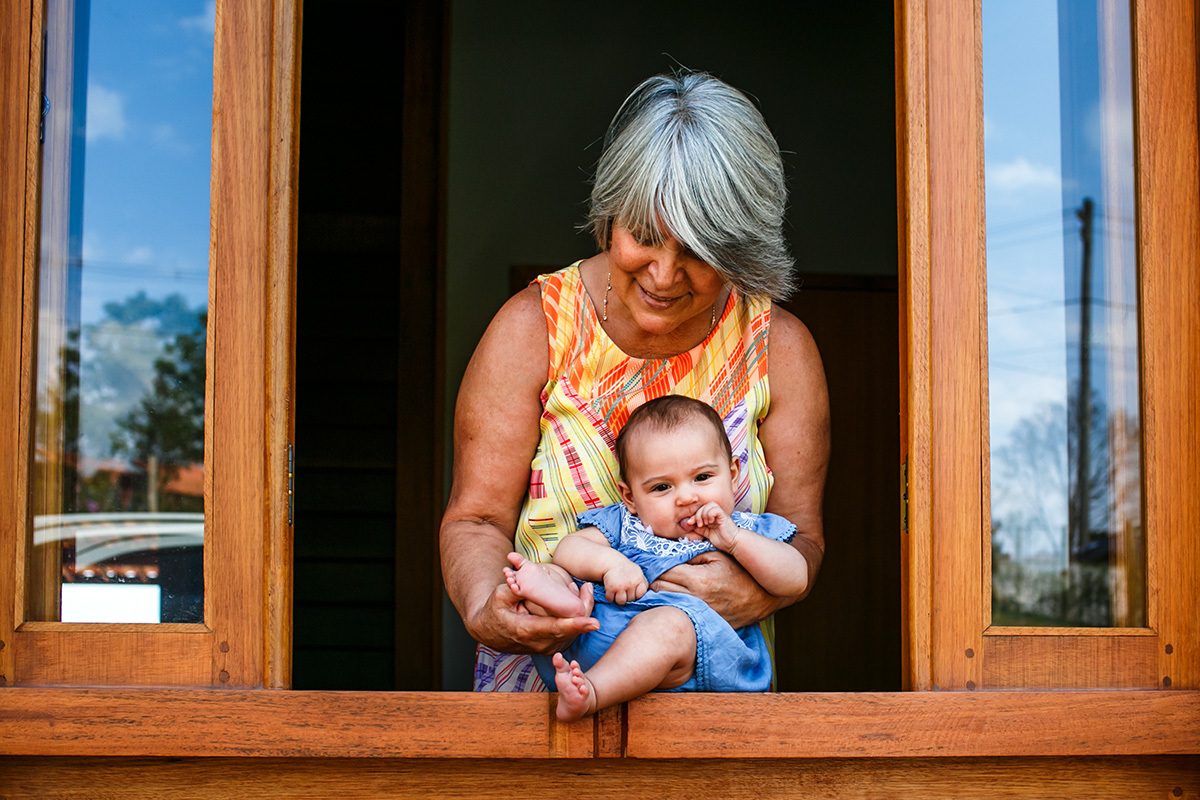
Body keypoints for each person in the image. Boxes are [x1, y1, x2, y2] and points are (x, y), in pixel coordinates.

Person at [440, 69, 830, 694]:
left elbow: (802, 537)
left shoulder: (776, 348)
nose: (664, 274)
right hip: (542, 704)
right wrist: (489, 606)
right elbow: (476, 521)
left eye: (700, 251)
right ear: (609, 215)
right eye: (644, 236)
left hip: (711, 716)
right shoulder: (533, 329)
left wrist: (749, 592)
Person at [504, 396, 807, 721]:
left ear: (733, 474)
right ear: (631, 497)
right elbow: (570, 549)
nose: (687, 497)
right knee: (558, 572)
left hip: (686, 662)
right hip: (583, 635)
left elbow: (795, 578)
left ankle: (590, 694)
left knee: (669, 625)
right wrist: (613, 565)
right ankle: (562, 603)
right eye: (662, 487)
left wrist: (735, 542)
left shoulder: (747, 530)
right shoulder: (625, 523)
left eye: (703, 477)